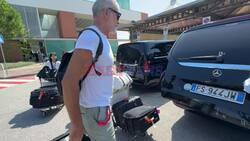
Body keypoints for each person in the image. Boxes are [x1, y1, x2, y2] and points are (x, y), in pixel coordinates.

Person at [62, 0, 121, 141]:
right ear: (106, 12)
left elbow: (94, 71)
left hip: (99, 108)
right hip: (95, 109)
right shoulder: (91, 37)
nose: (118, 21)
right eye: (117, 15)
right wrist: (76, 125)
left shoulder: (100, 37)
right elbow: (69, 82)